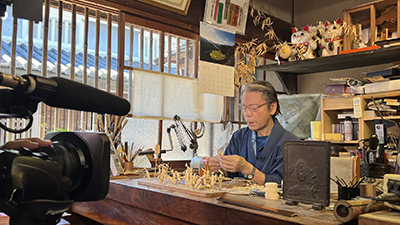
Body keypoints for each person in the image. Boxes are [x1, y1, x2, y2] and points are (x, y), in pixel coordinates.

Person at [209, 80, 298, 185]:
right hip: (238, 200)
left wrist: (246, 169)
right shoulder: (239, 137)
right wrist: (218, 167)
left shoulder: (291, 143)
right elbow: (228, 176)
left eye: (254, 108)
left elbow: (284, 185)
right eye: (244, 108)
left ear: (273, 108)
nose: (247, 114)